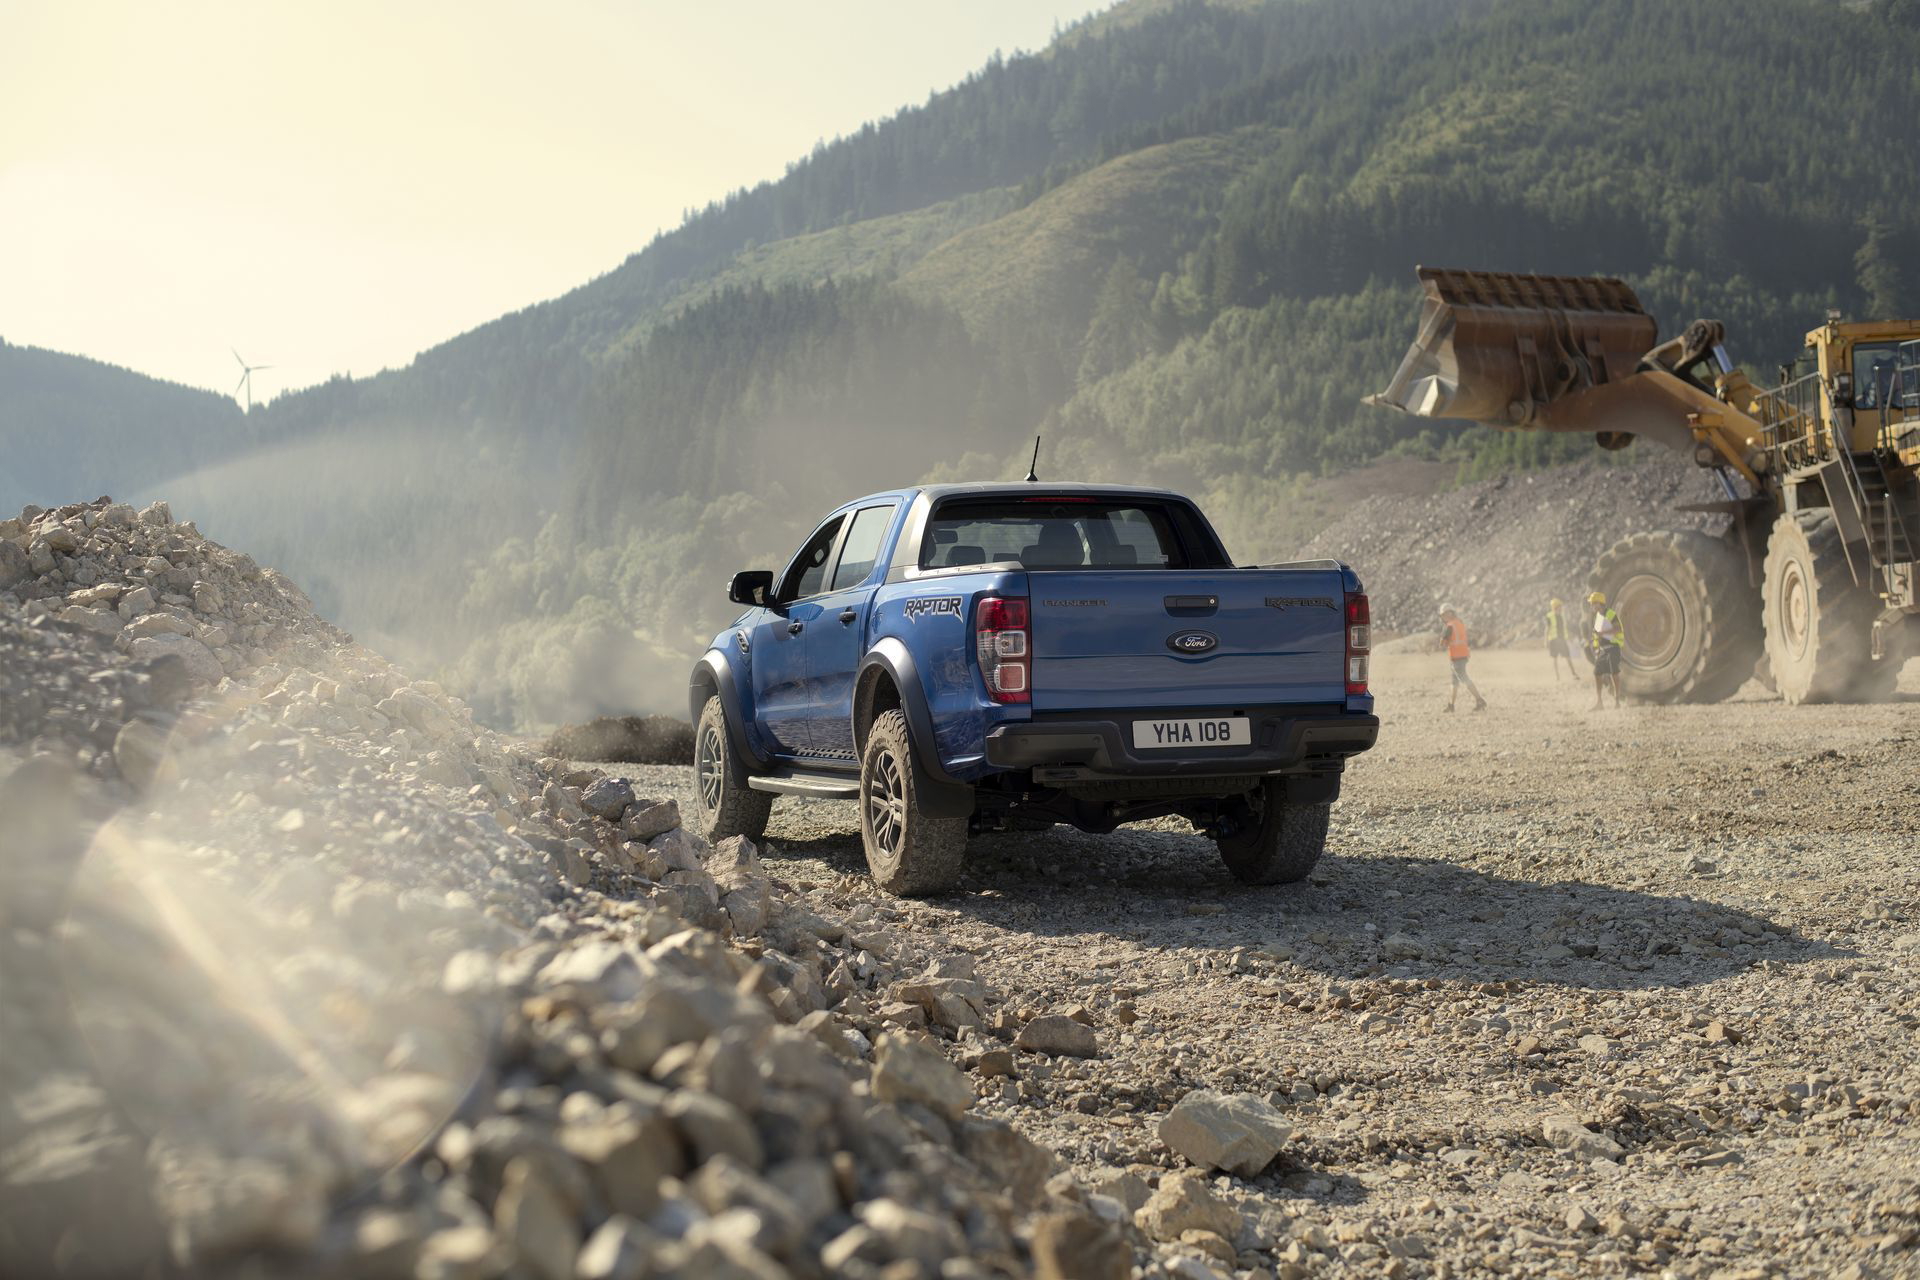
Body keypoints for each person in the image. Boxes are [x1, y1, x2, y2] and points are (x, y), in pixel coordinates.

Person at [1438, 604, 1486, 712]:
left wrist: (1441, 641)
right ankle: (1451, 705)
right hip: (1462, 655)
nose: (1442, 617)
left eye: (1444, 615)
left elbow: (1442, 643)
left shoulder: (1449, 626)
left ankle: (1480, 700)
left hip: (1457, 657)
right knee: (1454, 682)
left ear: (1450, 613)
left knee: (1464, 679)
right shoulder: (1459, 623)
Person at [1587, 590, 1626, 709]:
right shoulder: (1597, 617)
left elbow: (1618, 629)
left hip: (1613, 647)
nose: (1592, 606)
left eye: (1593, 603)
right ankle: (1599, 703)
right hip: (1603, 650)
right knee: (1597, 673)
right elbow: (1597, 634)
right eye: (1591, 604)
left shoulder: (1610, 613)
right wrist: (1596, 648)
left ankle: (1617, 702)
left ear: (1600, 603)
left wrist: (1603, 633)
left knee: (1614, 673)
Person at [1544, 596, 1579, 682]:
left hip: (1562, 640)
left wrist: (1569, 637)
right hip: (1553, 640)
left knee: (1568, 657)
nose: (1561, 608)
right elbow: (1547, 629)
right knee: (1554, 658)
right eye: (1559, 606)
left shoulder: (1562, 616)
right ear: (1555, 607)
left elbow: (1564, 628)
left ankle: (1574, 674)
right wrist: (1546, 641)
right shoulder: (1550, 616)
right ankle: (1557, 677)